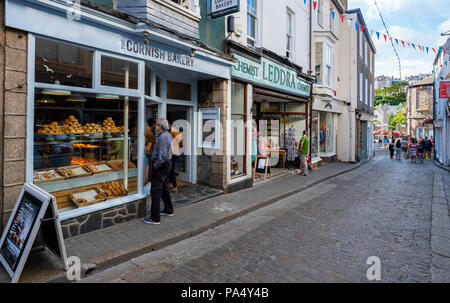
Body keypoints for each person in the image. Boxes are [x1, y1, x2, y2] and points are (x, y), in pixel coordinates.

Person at [144, 119, 174, 225]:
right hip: (165, 164)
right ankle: (168, 210)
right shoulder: (166, 135)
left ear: (160, 127)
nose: (155, 126)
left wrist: (156, 166)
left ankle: (155, 218)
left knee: (155, 190)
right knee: (164, 187)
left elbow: (162, 155)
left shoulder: (163, 137)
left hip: (161, 165)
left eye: (156, 125)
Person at [168, 123, 183, 192]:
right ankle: (170, 184)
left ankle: (174, 186)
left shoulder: (173, 131)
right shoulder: (174, 132)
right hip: (174, 153)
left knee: (171, 170)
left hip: (172, 153)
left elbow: (181, 144)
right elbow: (181, 144)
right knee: (169, 169)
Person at [144, 118, 156, 185]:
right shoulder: (150, 134)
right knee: (149, 170)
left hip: (149, 154)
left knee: (148, 169)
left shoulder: (147, 132)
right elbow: (148, 147)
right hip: (150, 154)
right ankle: (148, 184)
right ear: (153, 124)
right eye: (155, 124)